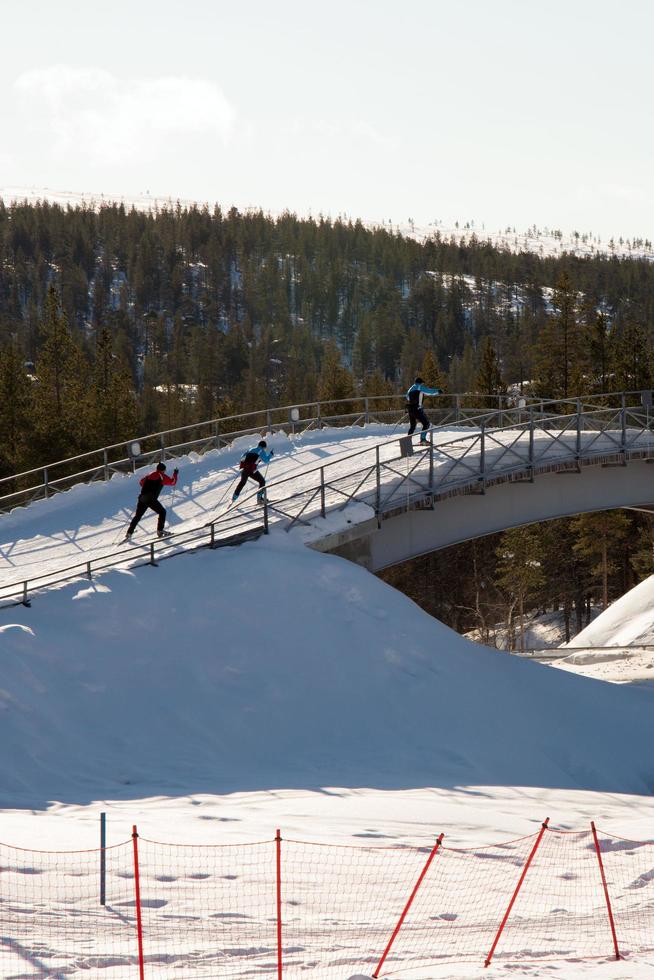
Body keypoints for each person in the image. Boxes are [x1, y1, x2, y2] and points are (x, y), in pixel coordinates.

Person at [125, 462, 178, 540]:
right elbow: (172, 482)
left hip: (142, 498)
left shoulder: (149, 474)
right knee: (162, 512)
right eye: (165, 470)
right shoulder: (161, 476)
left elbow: (141, 482)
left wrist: (148, 487)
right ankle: (160, 531)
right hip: (150, 499)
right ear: (163, 470)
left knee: (138, 516)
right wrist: (175, 473)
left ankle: (129, 533)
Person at [406, 376, 442, 441]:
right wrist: (437, 391)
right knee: (426, 424)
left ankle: (407, 441)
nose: (422, 384)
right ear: (420, 383)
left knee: (413, 426)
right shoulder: (419, 387)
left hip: (410, 409)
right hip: (417, 409)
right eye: (422, 383)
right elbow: (429, 391)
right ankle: (423, 439)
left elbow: (407, 398)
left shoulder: (410, 389)